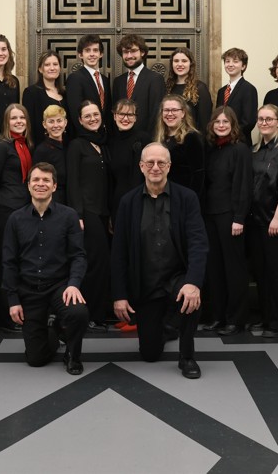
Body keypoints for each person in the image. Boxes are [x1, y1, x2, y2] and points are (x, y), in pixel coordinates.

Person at [111, 143, 208, 379]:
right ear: (141, 167)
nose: (156, 167)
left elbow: (198, 243)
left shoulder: (187, 198)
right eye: (150, 163)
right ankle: (166, 328)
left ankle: (187, 356)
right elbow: (119, 252)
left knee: (191, 298)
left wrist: (193, 282)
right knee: (150, 353)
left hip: (177, 277)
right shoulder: (128, 202)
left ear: (169, 166)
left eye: (161, 163)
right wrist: (119, 295)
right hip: (147, 283)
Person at [3, 162, 89, 375]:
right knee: (36, 359)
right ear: (28, 185)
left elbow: (78, 255)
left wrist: (73, 285)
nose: (40, 184)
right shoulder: (15, 219)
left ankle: (73, 355)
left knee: (78, 312)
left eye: (46, 180)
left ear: (54, 186)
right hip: (29, 289)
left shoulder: (69, 216)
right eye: (36, 180)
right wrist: (13, 300)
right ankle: (55, 332)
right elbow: (9, 262)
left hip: (60, 286)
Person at [247, 104, 278, 338]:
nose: (264, 123)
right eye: (261, 119)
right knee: (262, 272)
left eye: (269, 119)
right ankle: (267, 318)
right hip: (257, 221)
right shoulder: (256, 150)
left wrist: (277, 217)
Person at [202, 107, 252, 335]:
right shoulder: (212, 150)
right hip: (210, 215)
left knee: (234, 270)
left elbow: (244, 185)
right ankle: (218, 316)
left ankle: (236, 319)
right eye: (217, 122)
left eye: (225, 122)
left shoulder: (240, 149)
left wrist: (239, 217)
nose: (221, 125)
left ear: (233, 125)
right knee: (215, 269)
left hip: (231, 216)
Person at [0, 103, 34, 333]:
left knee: (22, 262)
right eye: (14, 118)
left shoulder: (27, 146)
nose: (18, 121)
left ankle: (20, 314)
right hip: (5, 210)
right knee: (6, 264)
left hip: (24, 210)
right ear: (7, 122)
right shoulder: (0, 148)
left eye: (22, 118)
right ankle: (5, 319)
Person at [66, 100, 112, 332]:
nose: (93, 118)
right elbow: (72, 181)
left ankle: (100, 312)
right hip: (87, 212)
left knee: (103, 262)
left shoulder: (104, 143)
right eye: (87, 116)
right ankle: (89, 314)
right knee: (94, 262)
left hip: (104, 212)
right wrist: (78, 214)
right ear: (80, 121)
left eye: (96, 114)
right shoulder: (77, 145)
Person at [110, 34, 166, 136]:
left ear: (142, 52)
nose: (129, 56)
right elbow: (115, 113)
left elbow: (156, 114)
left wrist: (149, 140)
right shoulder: (118, 81)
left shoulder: (155, 79)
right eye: (125, 52)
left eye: (133, 51)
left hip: (146, 139)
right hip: (121, 139)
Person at [107, 98, 151, 225]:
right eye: (121, 114)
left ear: (135, 118)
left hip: (142, 202)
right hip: (118, 203)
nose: (125, 118)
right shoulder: (110, 142)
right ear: (115, 116)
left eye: (130, 115)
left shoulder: (144, 139)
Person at [154, 95, 205, 196]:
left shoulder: (191, 138)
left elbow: (198, 174)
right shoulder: (160, 138)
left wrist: (191, 199)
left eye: (174, 110)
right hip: (162, 195)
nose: (170, 114)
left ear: (183, 113)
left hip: (183, 196)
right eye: (166, 110)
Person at [65, 34, 109, 136]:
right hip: (84, 137)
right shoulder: (74, 78)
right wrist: (90, 138)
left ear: (101, 54)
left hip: (103, 137)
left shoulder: (105, 80)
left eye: (95, 50)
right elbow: (76, 114)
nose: (92, 54)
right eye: (87, 50)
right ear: (80, 55)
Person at [22, 50, 65, 146]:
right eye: (47, 65)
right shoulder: (31, 92)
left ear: (60, 68)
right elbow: (29, 126)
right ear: (40, 69)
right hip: (42, 147)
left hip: (65, 147)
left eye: (55, 64)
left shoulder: (65, 93)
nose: (52, 68)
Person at [165, 47, 212, 133]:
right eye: (176, 61)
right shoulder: (167, 88)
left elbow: (204, 122)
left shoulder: (200, 88)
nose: (180, 64)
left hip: (191, 137)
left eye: (184, 61)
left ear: (191, 64)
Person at [216, 47, 257, 145]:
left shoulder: (249, 89)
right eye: (227, 61)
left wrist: (228, 135)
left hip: (239, 142)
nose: (230, 64)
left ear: (243, 66)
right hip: (220, 142)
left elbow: (249, 122)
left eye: (235, 61)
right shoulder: (221, 91)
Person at [31, 104, 69, 205]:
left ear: (65, 122)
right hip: (51, 202)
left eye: (59, 121)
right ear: (44, 124)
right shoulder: (41, 151)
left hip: (69, 200)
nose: (56, 125)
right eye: (51, 121)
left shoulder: (68, 147)